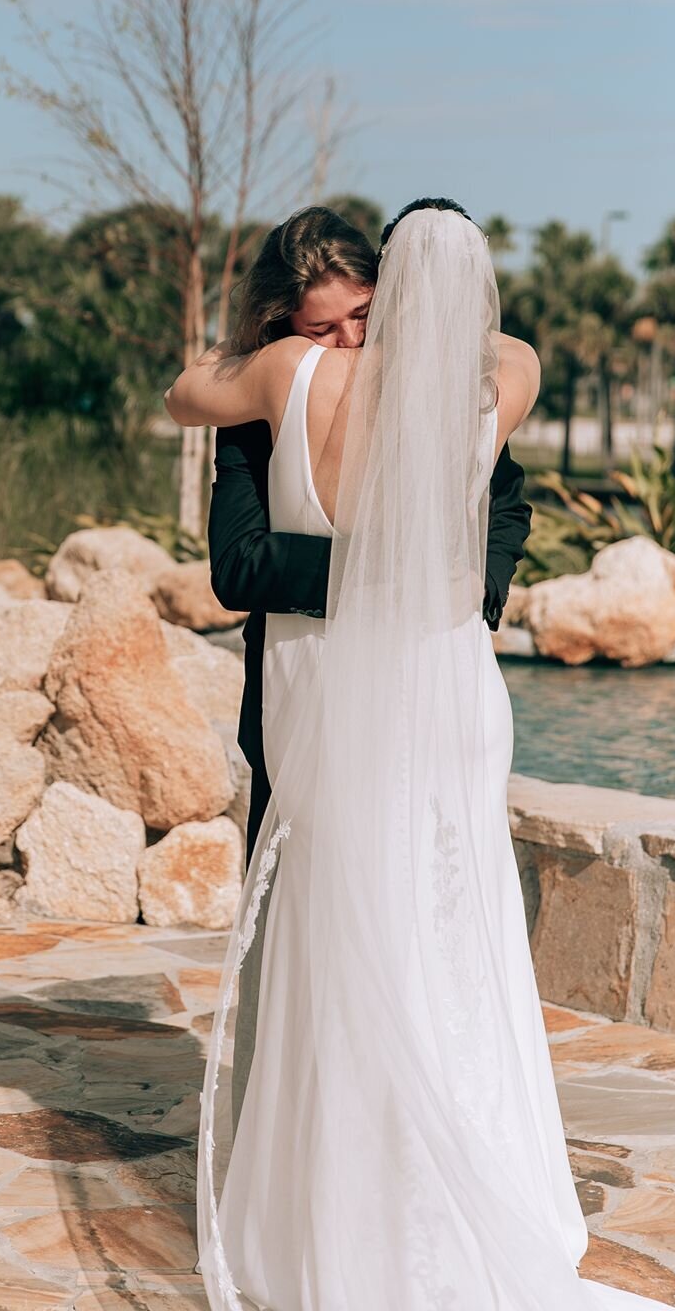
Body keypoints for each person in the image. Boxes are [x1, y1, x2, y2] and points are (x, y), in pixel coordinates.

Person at [165, 204, 670, 1310]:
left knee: (342, 932)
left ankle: (326, 1200)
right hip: (441, 700)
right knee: (444, 933)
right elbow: (499, 350)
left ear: (381, 289)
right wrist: (421, 316)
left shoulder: (287, 373)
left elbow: (181, 394)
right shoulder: (487, 384)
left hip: (336, 696)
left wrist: (281, 347)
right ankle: (452, 1173)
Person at [202, 203, 532, 865]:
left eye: (362, 315)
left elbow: (503, 505)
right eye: (321, 328)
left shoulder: (447, 394)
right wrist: (391, 576)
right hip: (299, 677)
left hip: (434, 676)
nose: (350, 339)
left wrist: (477, 585)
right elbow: (238, 565)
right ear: (282, 325)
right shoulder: (258, 401)